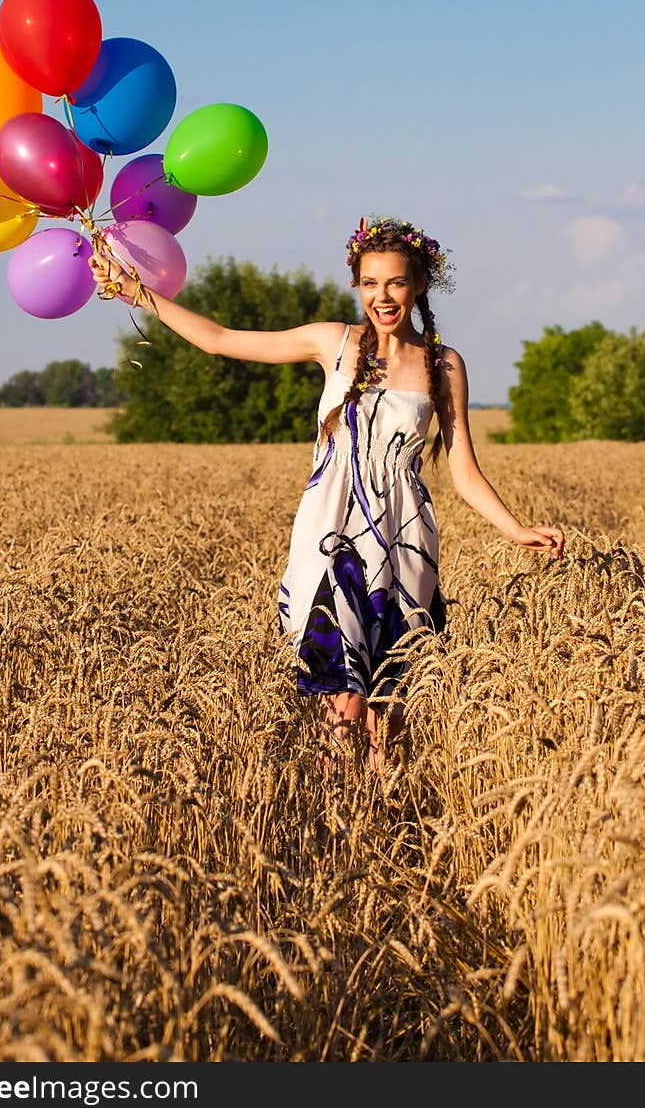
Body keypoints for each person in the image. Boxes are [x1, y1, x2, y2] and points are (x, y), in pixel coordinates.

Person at [89, 215, 565, 777]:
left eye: (394, 283)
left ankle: (389, 817)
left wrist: (515, 529)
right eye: (369, 283)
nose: (381, 296)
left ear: (418, 285)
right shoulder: (332, 341)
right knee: (343, 692)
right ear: (356, 285)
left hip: (402, 538)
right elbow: (221, 342)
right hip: (331, 532)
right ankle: (345, 806)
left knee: (390, 702)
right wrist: (138, 292)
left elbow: (463, 468)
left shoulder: (444, 365)